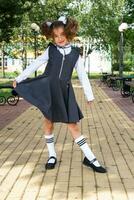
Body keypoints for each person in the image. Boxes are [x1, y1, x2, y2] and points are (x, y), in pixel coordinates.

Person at [13, 16, 107, 173]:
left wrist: (89, 95)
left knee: (73, 125)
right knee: (49, 122)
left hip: (65, 93)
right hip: (49, 91)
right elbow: (36, 63)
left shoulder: (76, 54)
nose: (59, 38)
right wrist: (19, 78)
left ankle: (90, 158)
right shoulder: (51, 50)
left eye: (62, 35)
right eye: (55, 36)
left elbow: (83, 75)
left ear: (69, 33)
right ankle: (52, 155)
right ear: (52, 36)